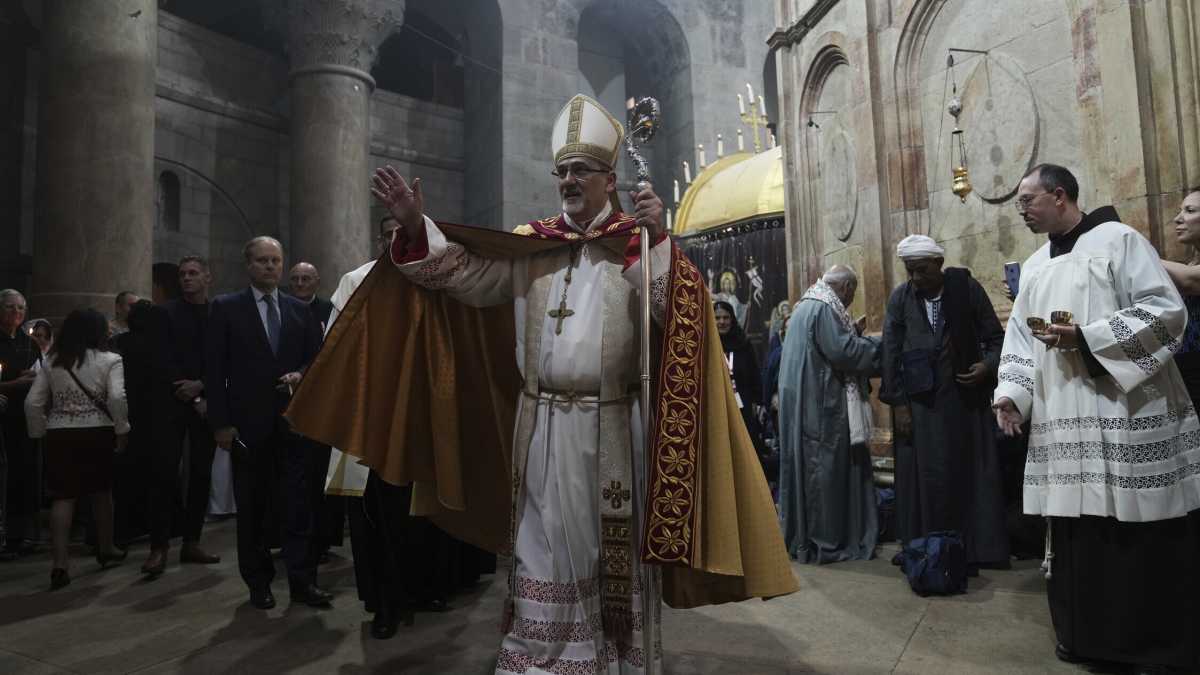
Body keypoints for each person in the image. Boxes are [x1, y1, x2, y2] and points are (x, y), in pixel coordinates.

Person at [288, 94, 796, 674]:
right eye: (562, 171)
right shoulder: (533, 245)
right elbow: (465, 276)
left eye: (581, 170)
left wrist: (656, 246)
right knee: (539, 545)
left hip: (610, 424)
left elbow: (681, 321)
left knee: (609, 551)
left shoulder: (634, 243)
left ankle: (612, 658)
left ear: (610, 179)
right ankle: (540, 660)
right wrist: (413, 227)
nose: (569, 180)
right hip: (540, 425)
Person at [994, 164, 1200, 671]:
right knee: (1078, 530)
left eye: (1027, 200)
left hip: (1124, 410)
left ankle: (1147, 644)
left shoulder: (1120, 241)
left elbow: (1166, 313)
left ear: (1060, 196)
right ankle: (1084, 637)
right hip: (1065, 417)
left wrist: (1087, 339)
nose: (1020, 209)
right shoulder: (1036, 264)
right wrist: (1012, 395)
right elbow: (1019, 339)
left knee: (1134, 528)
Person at [206, 236, 326, 610]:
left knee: (298, 506)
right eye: (262, 261)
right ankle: (258, 583)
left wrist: (299, 375)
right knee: (253, 508)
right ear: (249, 265)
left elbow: (315, 360)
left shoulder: (297, 310)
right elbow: (214, 369)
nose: (270, 266)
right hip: (246, 425)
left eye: (275, 260)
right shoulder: (226, 308)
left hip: (292, 424)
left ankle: (303, 581)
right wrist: (220, 424)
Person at [880, 234, 1009, 570]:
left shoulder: (965, 290)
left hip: (965, 403)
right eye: (910, 271)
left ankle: (974, 548)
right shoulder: (901, 298)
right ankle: (925, 547)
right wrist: (899, 405)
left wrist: (986, 366)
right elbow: (890, 354)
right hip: (920, 407)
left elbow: (996, 339)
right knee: (926, 478)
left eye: (922, 270)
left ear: (938, 264)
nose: (916, 278)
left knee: (969, 473)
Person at [777, 266, 880, 562]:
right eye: (854, 292)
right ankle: (826, 541)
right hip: (821, 406)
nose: (852, 298)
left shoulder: (805, 305)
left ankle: (803, 538)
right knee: (824, 473)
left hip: (804, 402)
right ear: (846, 288)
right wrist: (878, 345)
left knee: (809, 470)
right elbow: (843, 352)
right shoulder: (824, 309)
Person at [24, 308, 129, 590]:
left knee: (63, 497)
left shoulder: (52, 361)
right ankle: (106, 548)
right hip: (97, 432)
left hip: (60, 434)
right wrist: (122, 430)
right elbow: (117, 397)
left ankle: (59, 564)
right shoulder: (110, 359)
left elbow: (33, 403)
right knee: (102, 492)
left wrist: (39, 433)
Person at [139, 256, 221, 576]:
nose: (187, 278)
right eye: (183, 274)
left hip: (206, 402)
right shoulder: (165, 312)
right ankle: (159, 547)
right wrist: (186, 388)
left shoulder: (219, 312)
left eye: (193, 273)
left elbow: (223, 358)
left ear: (207, 277)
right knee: (164, 473)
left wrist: (203, 389)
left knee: (201, 473)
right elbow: (159, 357)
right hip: (171, 401)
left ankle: (192, 542)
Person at [0, 289, 42, 560]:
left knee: (24, 473)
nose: (17, 313)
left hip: (23, 417)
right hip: (2, 416)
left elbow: (40, 373)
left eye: (21, 308)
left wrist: (32, 378)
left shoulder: (31, 345)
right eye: (10, 307)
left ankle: (21, 533)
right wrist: (13, 384)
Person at [1160, 189, 1200, 406]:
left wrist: (1139, 249)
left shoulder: (1186, 272)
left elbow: (1189, 281)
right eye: (1179, 210)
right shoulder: (1186, 265)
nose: (1177, 218)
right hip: (1185, 369)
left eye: (1190, 210)